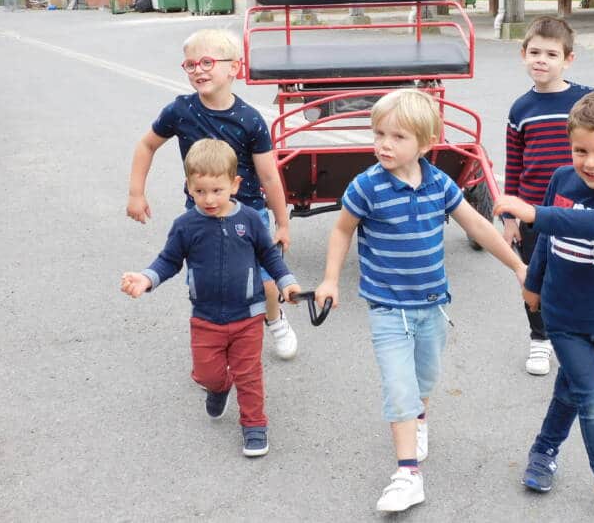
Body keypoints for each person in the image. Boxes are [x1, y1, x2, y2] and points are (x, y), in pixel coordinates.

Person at [314, 89, 527, 513]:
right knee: (399, 386)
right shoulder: (367, 186)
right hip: (387, 307)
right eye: (379, 134)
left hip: (432, 304)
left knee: (424, 379)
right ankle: (407, 473)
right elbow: (341, 230)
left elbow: (480, 227)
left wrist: (520, 268)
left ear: (426, 144)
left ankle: (420, 419)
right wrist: (330, 280)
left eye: (397, 137)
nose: (384, 145)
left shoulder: (440, 184)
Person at [494, 91, 594, 523]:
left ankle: (543, 449)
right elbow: (545, 240)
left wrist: (534, 214)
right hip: (562, 316)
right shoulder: (562, 179)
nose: (591, 163)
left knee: (571, 389)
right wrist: (533, 281)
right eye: (581, 150)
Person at [121, 138, 301, 457]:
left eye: (217, 190)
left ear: (234, 184)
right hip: (205, 318)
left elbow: (269, 257)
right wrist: (146, 278)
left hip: (247, 316)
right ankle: (218, 388)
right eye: (200, 191)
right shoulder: (186, 226)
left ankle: (255, 425)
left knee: (249, 375)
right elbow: (169, 260)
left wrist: (286, 281)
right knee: (208, 374)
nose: (208, 199)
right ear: (188, 186)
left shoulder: (250, 221)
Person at [126, 28, 299, 360]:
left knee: (265, 280)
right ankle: (214, 342)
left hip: (247, 211)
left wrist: (282, 222)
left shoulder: (250, 120)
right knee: (208, 281)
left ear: (234, 67)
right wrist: (136, 192)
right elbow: (147, 144)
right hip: (200, 213)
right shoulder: (180, 111)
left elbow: (268, 176)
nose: (198, 70)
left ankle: (274, 319)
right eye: (190, 65)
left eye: (207, 62)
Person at [503, 16, 593, 376]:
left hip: (578, 210)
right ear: (523, 54)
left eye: (551, 54)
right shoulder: (520, 109)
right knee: (534, 276)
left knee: (577, 274)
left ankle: (573, 337)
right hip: (532, 211)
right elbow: (513, 164)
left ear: (567, 60)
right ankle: (539, 339)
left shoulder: (586, 101)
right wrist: (509, 216)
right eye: (535, 52)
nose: (542, 60)